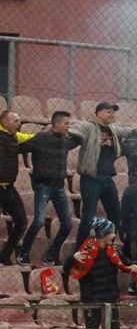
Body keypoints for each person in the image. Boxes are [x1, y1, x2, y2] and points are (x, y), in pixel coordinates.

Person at [18, 111, 79, 266]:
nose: (69, 126)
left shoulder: (65, 141)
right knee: (38, 222)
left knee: (67, 224)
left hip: (59, 187)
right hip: (43, 186)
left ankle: (50, 255)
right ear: (56, 124)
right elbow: (21, 147)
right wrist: (42, 131)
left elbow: (80, 137)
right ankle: (23, 254)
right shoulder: (41, 138)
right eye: (66, 123)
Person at [70, 102, 130, 247]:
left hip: (107, 178)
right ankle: (80, 250)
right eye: (108, 111)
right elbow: (72, 128)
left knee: (115, 215)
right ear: (98, 113)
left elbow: (128, 132)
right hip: (91, 178)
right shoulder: (89, 127)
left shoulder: (113, 130)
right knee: (88, 217)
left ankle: (106, 245)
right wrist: (51, 128)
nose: (112, 114)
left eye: (113, 112)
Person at [0, 109, 34, 265]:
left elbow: (31, 137)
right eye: (15, 121)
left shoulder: (15, 136)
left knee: (21, 223)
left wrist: (45, 132)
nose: (19, 124)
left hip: (8, 187)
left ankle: (4, 255)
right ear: (5, 122)